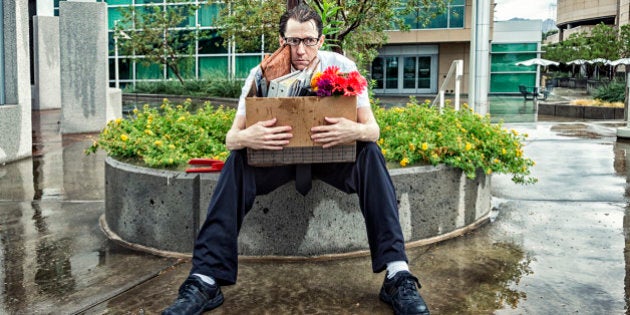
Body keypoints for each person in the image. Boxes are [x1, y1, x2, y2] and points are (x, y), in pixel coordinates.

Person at [163, 4, 430, 315]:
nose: (301, 49)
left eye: (309, 40)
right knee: (236, 160)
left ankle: (397, 274)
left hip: (332, 156)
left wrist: (352, 129)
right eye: (293, 41)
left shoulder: (343, 66)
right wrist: (247, 138)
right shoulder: (260, 73)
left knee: (371, 153)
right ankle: (205, 279)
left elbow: (373, 130)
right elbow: (230, 138)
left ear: (321, 38)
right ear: (282, 40)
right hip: (278, 159)